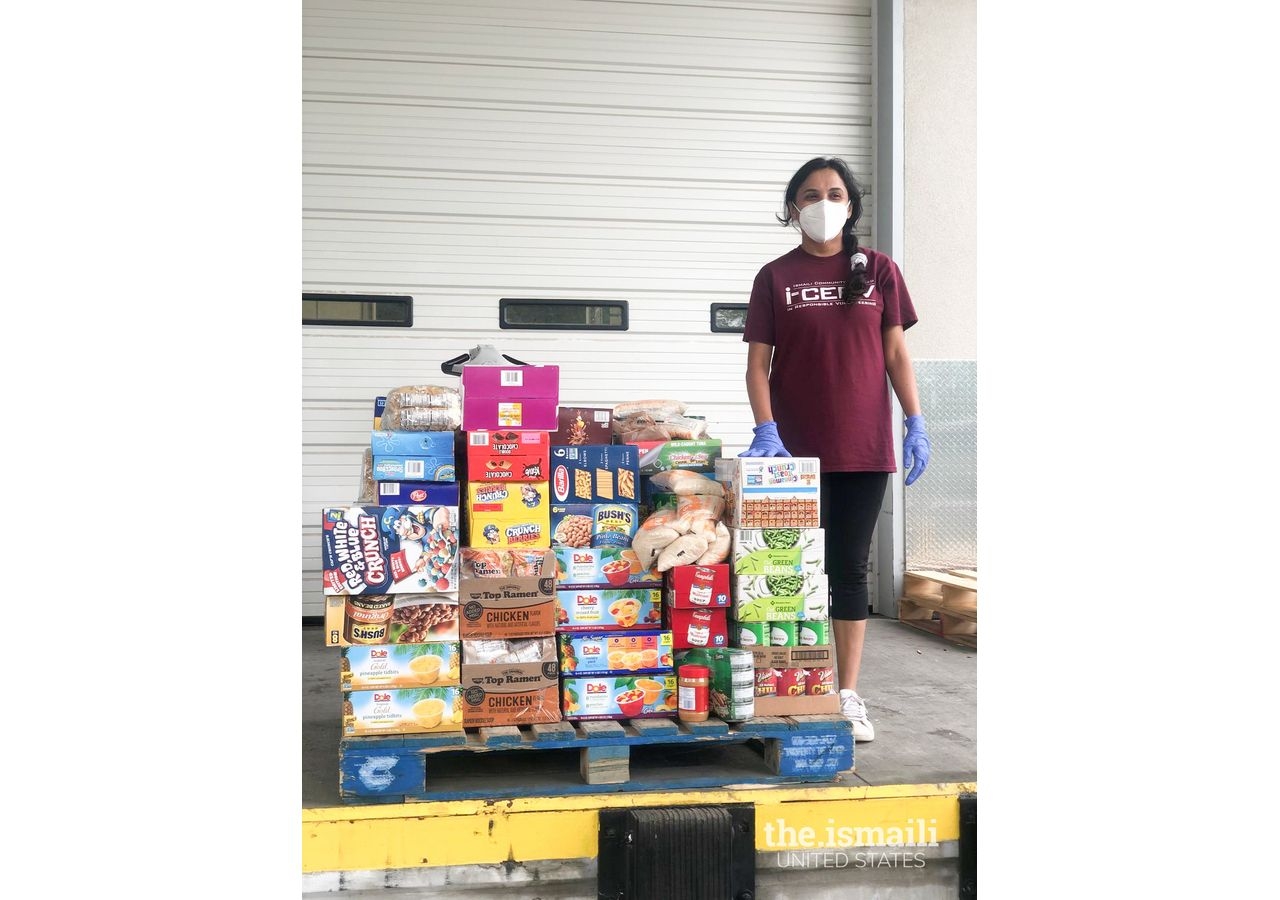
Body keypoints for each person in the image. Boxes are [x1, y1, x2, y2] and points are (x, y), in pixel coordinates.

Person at [739, 156, 932, 742]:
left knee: (848, 570)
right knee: (790, 571)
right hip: (792, 457)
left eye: (834, 192)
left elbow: (896, 354)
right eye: (810, 194)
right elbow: (758, 365)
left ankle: (845, 693)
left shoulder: (879, 271)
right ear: (792, 207)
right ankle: (791, 683)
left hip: (862, 447)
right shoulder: (775, 277)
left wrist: (916, 419)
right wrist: (767, 429)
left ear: (851, 205)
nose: (823, 202)